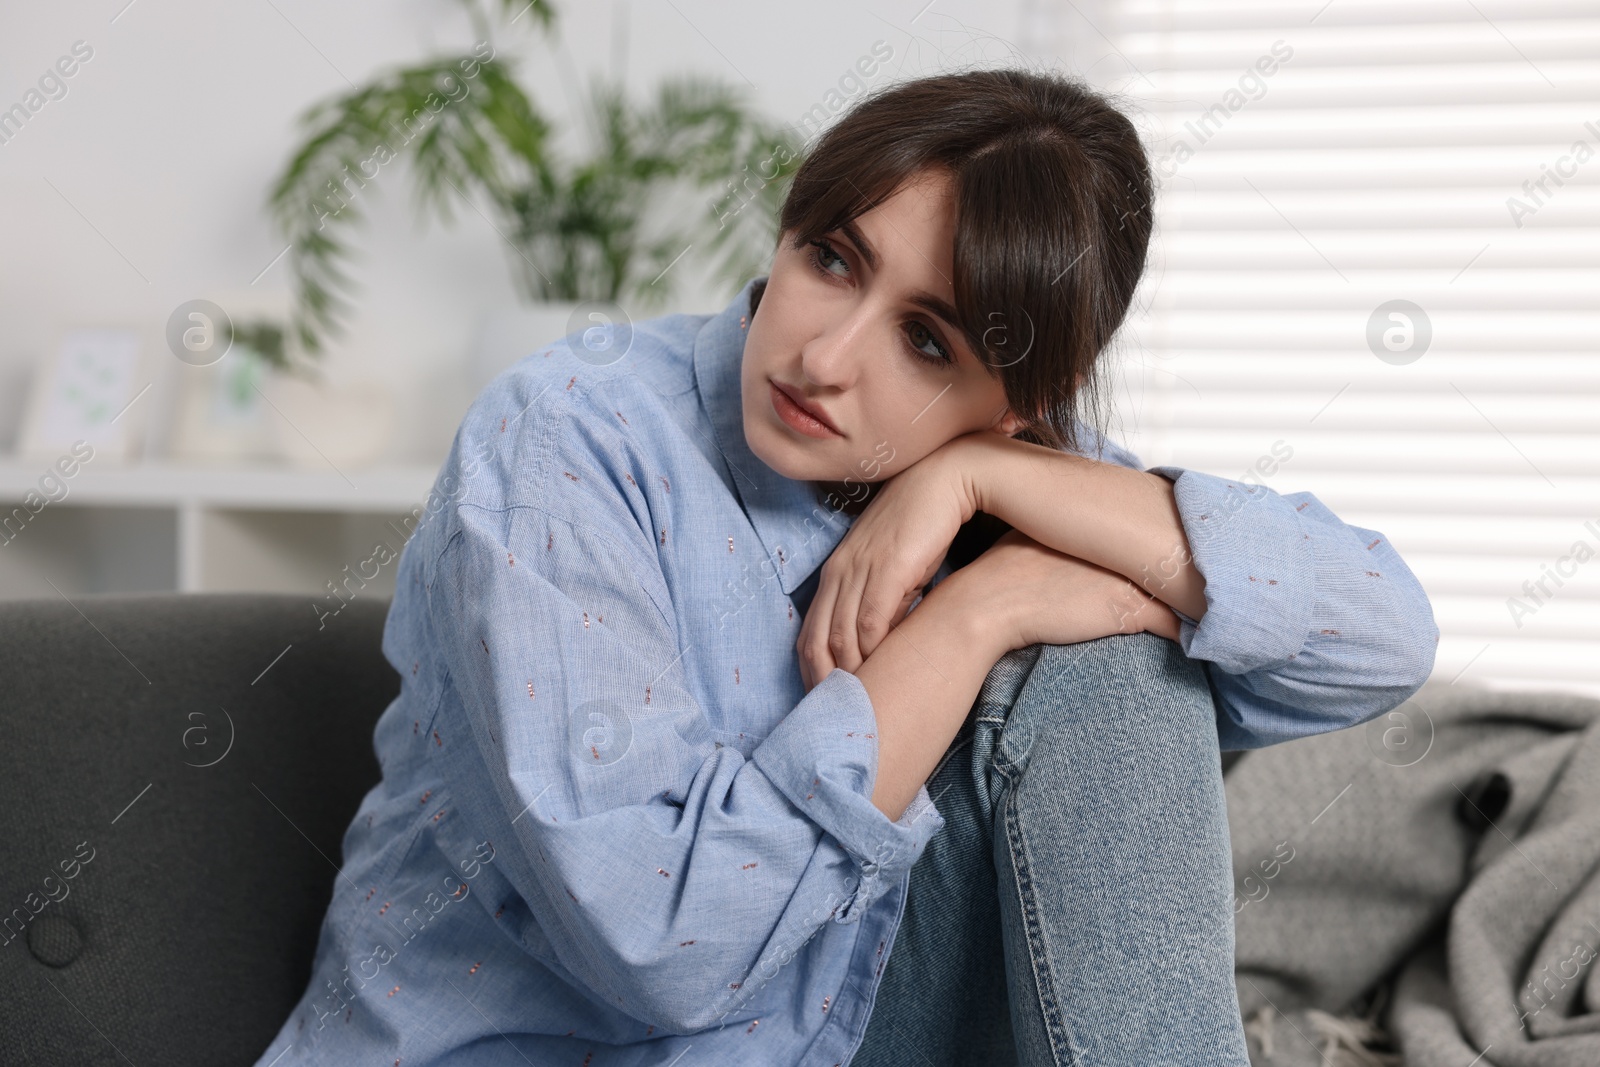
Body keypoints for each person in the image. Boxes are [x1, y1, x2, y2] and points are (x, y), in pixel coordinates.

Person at [254, 67, 1437, 1067]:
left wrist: (975, 488)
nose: (821, 355)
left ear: (1018, 409)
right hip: (570, 1035)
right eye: (831, 257)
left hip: (831, 1024)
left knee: (1126, 665)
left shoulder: (993, 464)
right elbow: (664, 942)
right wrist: (983, 606)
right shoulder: (569, 434)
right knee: (1096, 616)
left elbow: (1382, 638)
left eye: (927, 339)